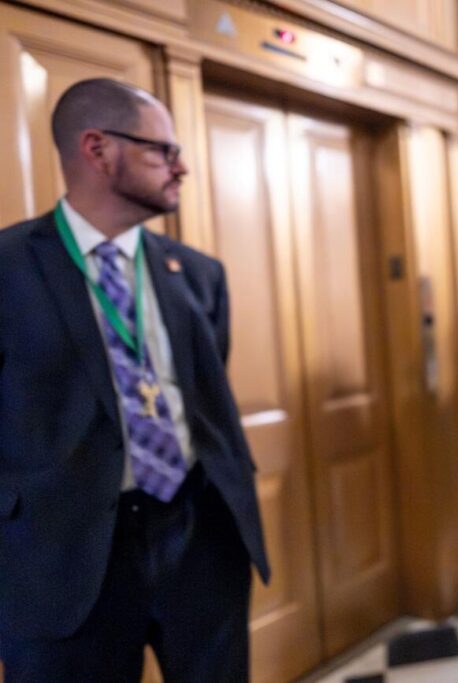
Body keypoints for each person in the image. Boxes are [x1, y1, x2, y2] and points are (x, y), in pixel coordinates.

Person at [0, 78, 269, 680]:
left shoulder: (196, 274)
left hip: (199, 539)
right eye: (163, 151)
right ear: (98, 149)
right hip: (62, 563)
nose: (181, 167)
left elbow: (205, 404)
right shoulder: (8, 268)